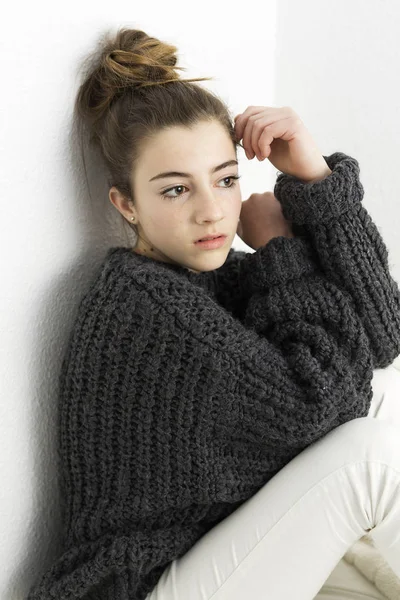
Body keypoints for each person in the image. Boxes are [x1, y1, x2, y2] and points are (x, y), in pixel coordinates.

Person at [26, 26, 400, 600]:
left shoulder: (208, 278)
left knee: (389, 399)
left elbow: (382, 334)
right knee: (372, 457)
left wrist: (314, 177)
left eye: (225, 180)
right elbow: (322, 404)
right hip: (141, 587)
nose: (211, 212)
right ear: (126, 205)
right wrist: (278, 248)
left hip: (209, 555)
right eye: (176, 190)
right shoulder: (147, 307)